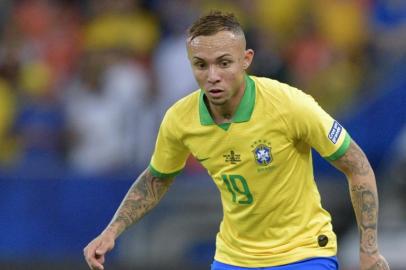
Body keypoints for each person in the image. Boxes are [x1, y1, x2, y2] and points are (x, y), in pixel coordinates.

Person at [83, 11, 389, 270]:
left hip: (303, 253)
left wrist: (369, 249)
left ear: (246, 60)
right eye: (201, 65)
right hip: (234, 258)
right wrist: (112, 231)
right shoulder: (180, 119)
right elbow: (157, 178)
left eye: (224, 63)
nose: (212, 75)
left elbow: (357, 164)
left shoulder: (290, 105)